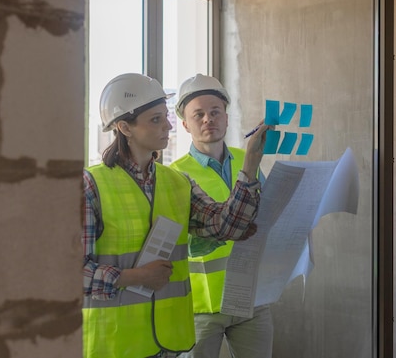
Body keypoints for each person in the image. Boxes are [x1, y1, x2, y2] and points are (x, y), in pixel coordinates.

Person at [82, 73, 271, 358]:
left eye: (166, 117)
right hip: (113, 344)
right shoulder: (89, 185)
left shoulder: (178, 183)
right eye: (156, 120)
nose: (169, 126)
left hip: (166, 343)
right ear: (125, 127)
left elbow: (225, 226)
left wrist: (250, 164)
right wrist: (135, 276)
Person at [170, 74, 273, 358]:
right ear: (185, 124)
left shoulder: (247, 159)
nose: (208, 119)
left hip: (252, 296)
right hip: (202, 306)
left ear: (226, 118)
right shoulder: (176, 175)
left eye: (215, 112)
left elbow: (267, 215)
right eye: (198, 114)